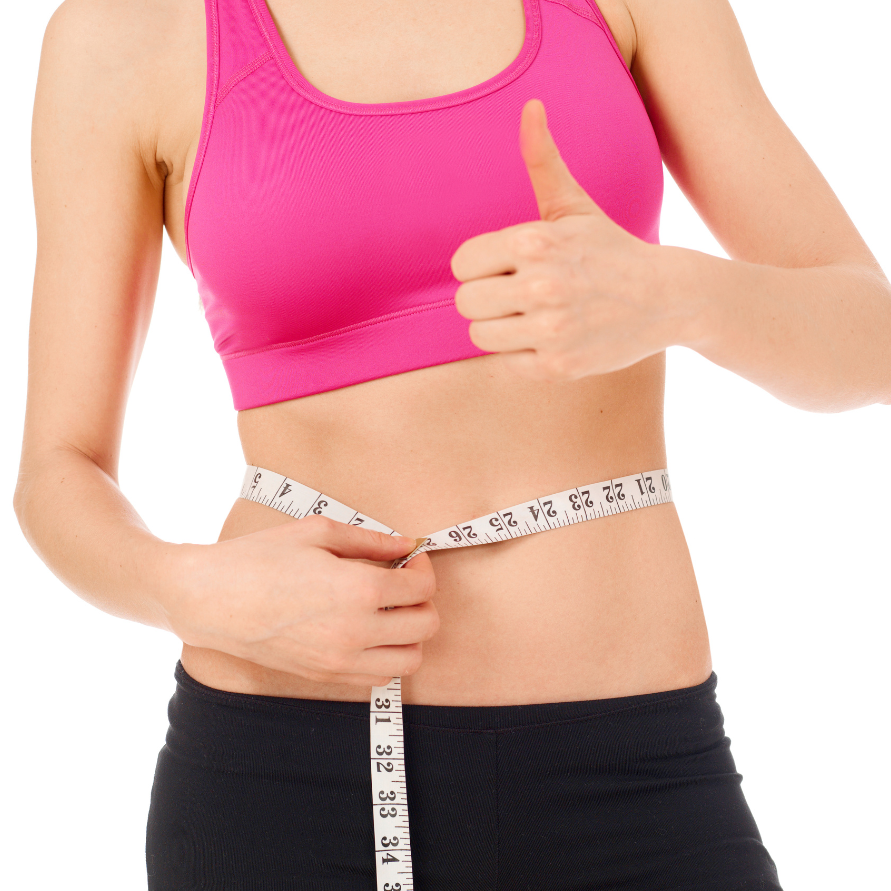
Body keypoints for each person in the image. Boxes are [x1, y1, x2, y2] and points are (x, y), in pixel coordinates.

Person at [14, 0, 891, 888]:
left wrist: (679, 297)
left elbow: (872, 338)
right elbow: (57, 468)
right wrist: (189, 590)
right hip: (288, 774)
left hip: (635, 777)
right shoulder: (122, 34)